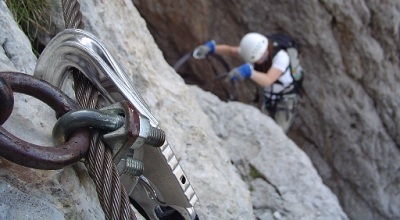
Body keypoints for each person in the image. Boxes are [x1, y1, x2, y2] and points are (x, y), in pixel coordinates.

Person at [193, 32, 299, 132]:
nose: (254, 62)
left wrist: (249, 72)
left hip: (284, 101)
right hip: (267, 97)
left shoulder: (281, 57)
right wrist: (211, 48)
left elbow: (268, 80)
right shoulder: (255, 51)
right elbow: (231, 51)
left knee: (278, 132)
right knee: (263, 126)